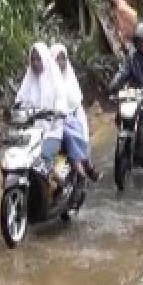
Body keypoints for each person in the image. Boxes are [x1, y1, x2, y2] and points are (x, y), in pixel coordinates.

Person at [15, 42, 68, 184]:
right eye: (32, 59)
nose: (35, 63)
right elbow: (20, 100)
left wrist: (57, 111)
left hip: (52, 131)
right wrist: (16, 109)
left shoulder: (54, 79)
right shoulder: (29, 80)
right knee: (16, 156)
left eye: (38, 59)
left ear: (45, 59)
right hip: (31, 131)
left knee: (43, 155)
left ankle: (56, 183)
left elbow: (61, 99)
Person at [50, 43, 100, 182]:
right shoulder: (47, 79)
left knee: (78, 134)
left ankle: (85, 167)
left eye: (62, 59)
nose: (60, 62)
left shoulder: (69, 77)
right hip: (51, 119)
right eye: (56, 59)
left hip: (72, 115)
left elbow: (74, 101)